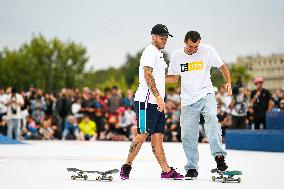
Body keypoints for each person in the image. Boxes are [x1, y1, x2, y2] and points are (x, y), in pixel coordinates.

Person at [120, 24, 184, 180]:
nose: (165, 40)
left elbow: (168, 78)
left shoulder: (159, 55)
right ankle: (126, 167)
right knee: (142, 135)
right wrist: (158, 98)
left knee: (158, 137)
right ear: (153, 36)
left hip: (157, 103)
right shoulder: (150, 52)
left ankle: (166, 170)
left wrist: (181, 72)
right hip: (146, 102)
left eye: (166, 37)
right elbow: (148, 75)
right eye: (162, 37)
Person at [166, 30, 231, 179]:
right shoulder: (177, 56)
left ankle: (219, 157)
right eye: (190, 47)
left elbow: (222, 67)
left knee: (211, 119)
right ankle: (191, 167)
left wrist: (229, 83)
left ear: (199, 42)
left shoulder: (207, 51)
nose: (193, 50)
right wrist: (157, 77)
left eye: (196, 46)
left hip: (206, 93)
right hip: (187, 99)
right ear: (185, 42)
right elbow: (174, 78)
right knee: (188, 134)